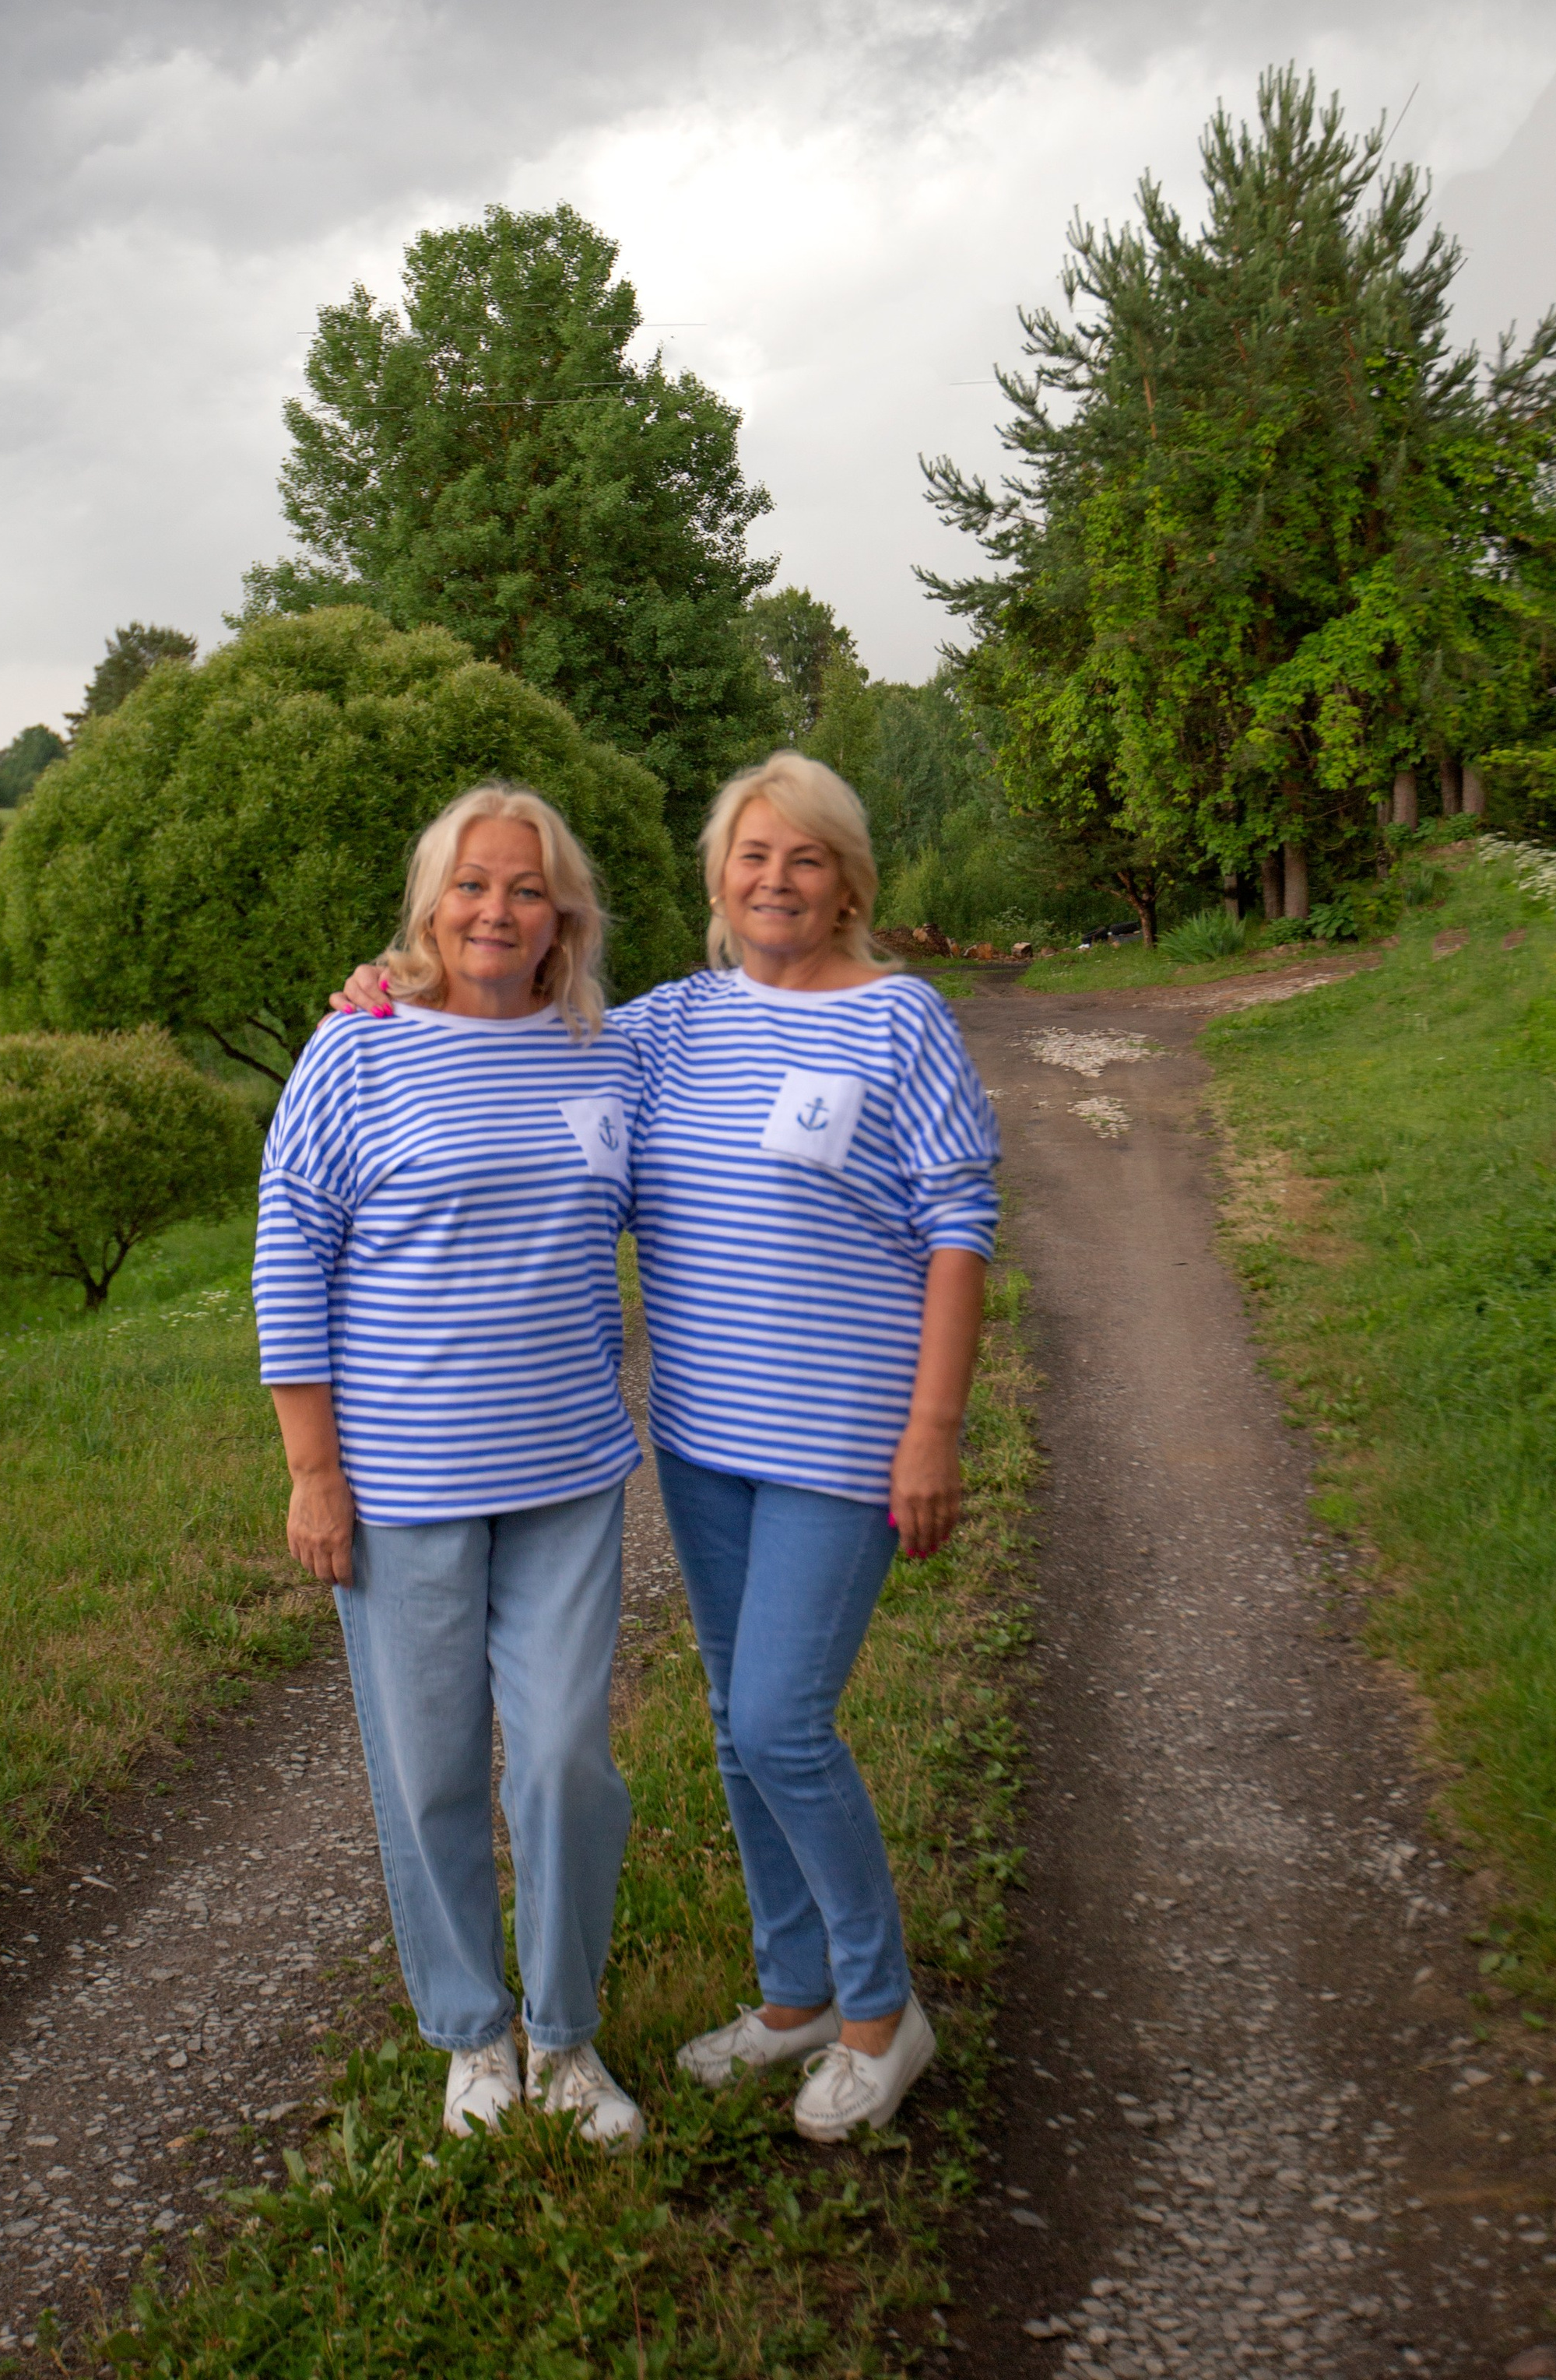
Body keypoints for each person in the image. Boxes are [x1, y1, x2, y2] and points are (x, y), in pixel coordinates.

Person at [334, 752, 999, 2141]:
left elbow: (958, 1227)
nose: (777, 881)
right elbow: (509, 1035)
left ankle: (882, 2013)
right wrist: (387, 991)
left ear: (848, 882)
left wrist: (934, 1430)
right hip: (705, 1437)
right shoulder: (665, 1028)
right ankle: (795, 1992)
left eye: (805, 858)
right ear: (717, 879)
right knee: (738, 1726)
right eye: (753, 856)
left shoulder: (902, 1019)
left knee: (782, 1723)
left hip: (846, 1440)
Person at [254, 783, 647, 2149]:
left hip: (567, 1476)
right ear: (430, 904)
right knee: (428, 1774)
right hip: (403, 1488)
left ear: (564, 915)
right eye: (472, 885)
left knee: (565, 1763)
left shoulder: (609, 1050)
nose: (497, 909)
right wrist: (313, 1470)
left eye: (527, 888)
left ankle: (567, 2038)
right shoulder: (354, 1052)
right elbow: (288, 1262)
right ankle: (472, 2035)